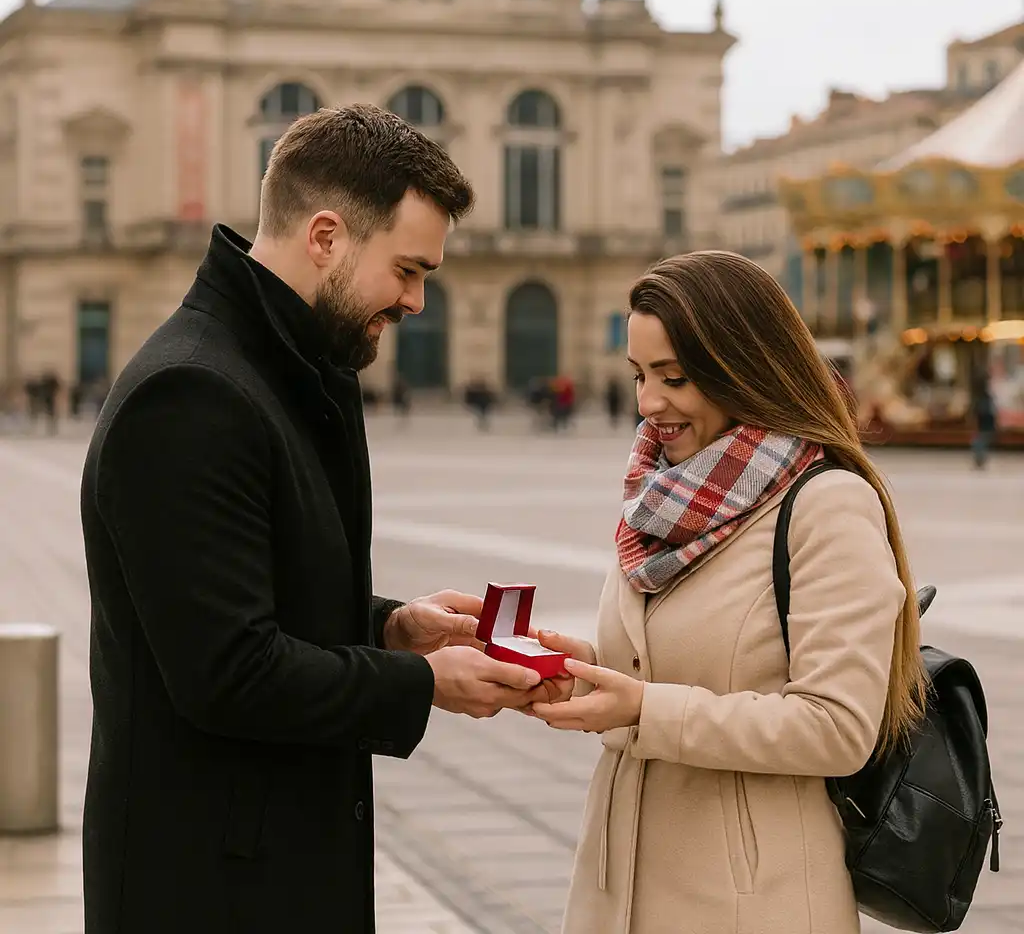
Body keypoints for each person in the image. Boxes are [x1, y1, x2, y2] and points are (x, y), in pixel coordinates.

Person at [79, 104, 557, 934]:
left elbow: (250, 596)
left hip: (267, 864)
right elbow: (228, 671)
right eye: (407, 270)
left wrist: (392, 629)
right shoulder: (191, 393)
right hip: (207, 888)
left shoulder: (287, 368)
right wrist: (425, 685)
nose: (416, 301)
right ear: (326, 237)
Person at [529, 250, 928, 934]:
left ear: (742, 366)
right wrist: (589, 673)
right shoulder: (658, 501)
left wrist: (645, 710)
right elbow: (673, 665)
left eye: (674, 378)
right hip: (617, 890)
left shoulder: (827, 504)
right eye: (639, 375)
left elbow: (837, 729)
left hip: (751, 902)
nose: (648, 403)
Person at [969, 372, 997, 469]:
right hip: (985, 422)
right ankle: (979, 460)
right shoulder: (985, 397)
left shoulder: (980, 397)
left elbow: (979, 412)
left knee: (980, 440)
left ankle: (979, 460)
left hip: (984, 422)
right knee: (981, 440)